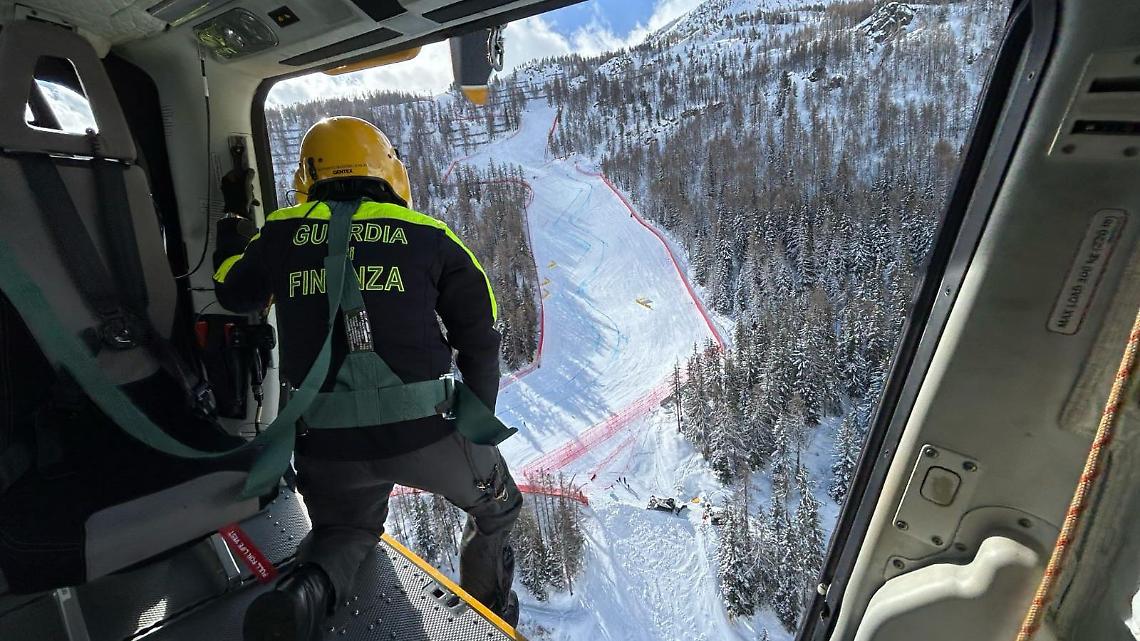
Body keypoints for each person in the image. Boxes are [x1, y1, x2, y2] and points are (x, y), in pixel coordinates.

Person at [211, 116, 523, 641]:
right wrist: (474, 426)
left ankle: (302, 594)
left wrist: (233, 225)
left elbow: (231, 290)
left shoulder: (280, 233)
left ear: (310, 176)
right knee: (498, 510)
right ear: (386, 169)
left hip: (326, 443)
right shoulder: (431, 237)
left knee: (343, 531)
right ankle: (488, 612)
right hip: (426, 434)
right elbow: (479, 335)